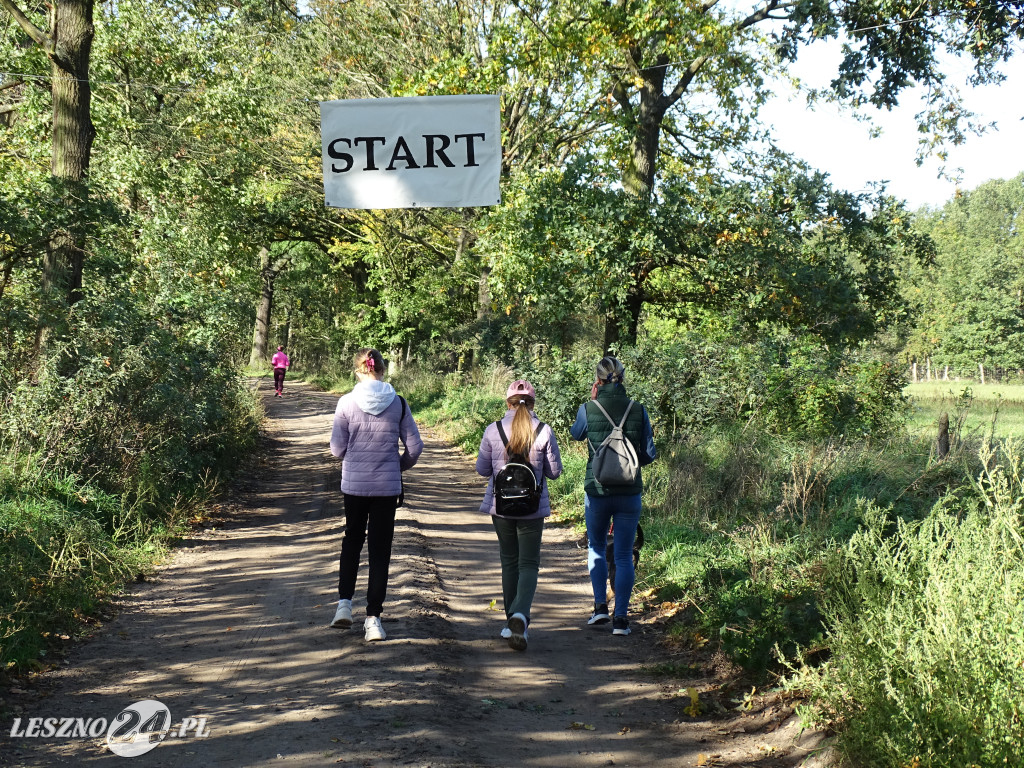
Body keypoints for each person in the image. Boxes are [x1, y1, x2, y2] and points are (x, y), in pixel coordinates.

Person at [329, 348, 423, 642]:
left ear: (358, 371)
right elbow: (415, 447)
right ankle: (373, 620)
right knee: (380, 551)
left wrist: (353, 457)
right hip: (386, 488)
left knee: (352, 541)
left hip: (354, 486)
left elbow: (336, 449)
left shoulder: (346, 402)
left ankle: (344, 606)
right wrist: (397, 467)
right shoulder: (399, 404)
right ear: (382, 370)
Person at [570, 356, 656, 637]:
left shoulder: (588, 407)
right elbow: (649, 454)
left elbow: (576, 434)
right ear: (623, 377)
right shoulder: (638, 409)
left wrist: (591, 401)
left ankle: (599, 609)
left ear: (598, 380)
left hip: (597, 490)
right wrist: (627, 464)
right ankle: (621, 619)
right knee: (622, 554)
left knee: (596, 546)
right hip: (629, 492)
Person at [476, 379, 562, 651]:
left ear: (508, 403)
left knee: (509, 562)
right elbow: (554, 472)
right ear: (533, 403)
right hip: (532, 508)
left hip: (501, 507)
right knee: (528, 564)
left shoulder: (493, 430)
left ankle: (509, 622)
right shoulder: (544, 431)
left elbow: (481, 470)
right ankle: (520, 615)